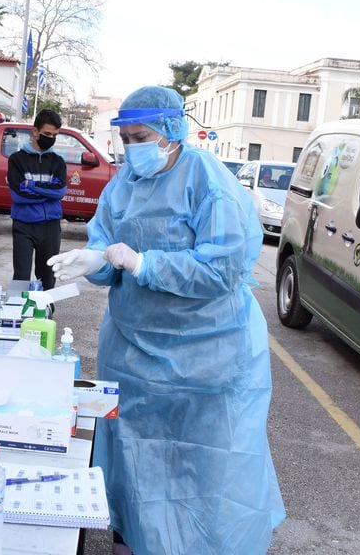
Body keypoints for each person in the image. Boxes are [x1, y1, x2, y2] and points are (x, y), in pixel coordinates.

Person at [47, 86, 285, 554]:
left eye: (142, 136)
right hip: (135, 354)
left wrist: (144, 265)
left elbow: (225, 267)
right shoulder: (122, 186)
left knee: (209, 470)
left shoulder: (209, 182)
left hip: (210, 358)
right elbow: (105, 245)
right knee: (136, 460)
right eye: (126, 137)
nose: (132, 147)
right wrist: (93, 261)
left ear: (173, 132)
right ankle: (131, 542)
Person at [7, 109, 67, 291]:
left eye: (55, 135)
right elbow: (17, 195)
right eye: (47, 134)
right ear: (35, 132)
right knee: (21, 278)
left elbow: (60, 192)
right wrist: (47, 193)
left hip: (50, 226)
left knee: (47, 278)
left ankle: (47, 315)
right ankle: (17, 315)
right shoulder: (16, 160)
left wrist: (31, 186)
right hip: (23, 225)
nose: (51, 138)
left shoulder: (58, 161)